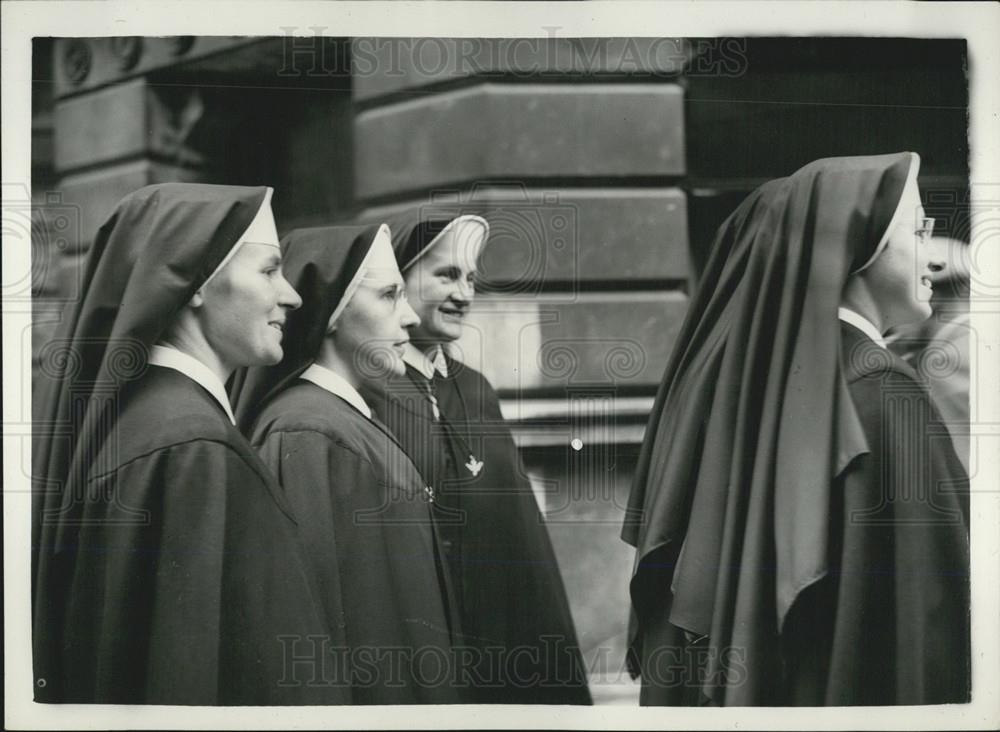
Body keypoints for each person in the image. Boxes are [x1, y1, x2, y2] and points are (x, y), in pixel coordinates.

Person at [622, 152, 970, 706]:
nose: (932, 254)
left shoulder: (753, 383)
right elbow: (931, 610)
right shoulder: (882, 390)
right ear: (861, 243)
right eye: (918, 229)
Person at [31, 183, 348, 704]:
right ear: (197, 279)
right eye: (269, 270)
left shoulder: (148, 421)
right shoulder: (195, 445)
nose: (291, 294)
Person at [361, 213, 592, 704]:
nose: (465, 294)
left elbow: (520, 543)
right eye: (447, 275)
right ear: (397, 281)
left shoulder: (475, 389)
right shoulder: (371, 390)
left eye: (471, 278)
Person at [231, 223, 464, 704]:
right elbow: (317, 629)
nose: (409, 318)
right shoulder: (308, 432)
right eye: (388, 296)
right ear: (333, 311)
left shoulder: (342, 418)